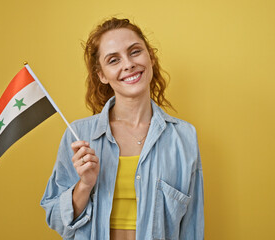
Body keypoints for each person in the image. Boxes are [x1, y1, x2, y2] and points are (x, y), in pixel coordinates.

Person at [41, 17, 204, 240]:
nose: (128, 64)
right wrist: (85, 184)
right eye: (113, 60)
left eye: (135, 51)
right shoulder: (79, 136)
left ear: (151, 57)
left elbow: (192, 228)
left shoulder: (184, 137)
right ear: (102, 75)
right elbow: (57, 220)